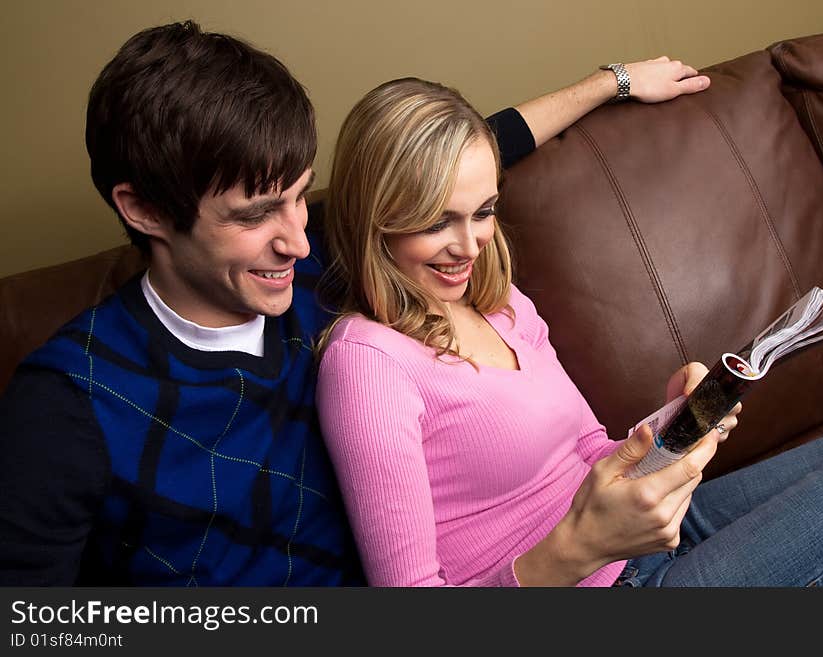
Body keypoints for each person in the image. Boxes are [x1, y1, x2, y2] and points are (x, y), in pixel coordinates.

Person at [0, 19, 710, 586]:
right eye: (254, 215)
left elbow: (442, 164)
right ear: (146, 210)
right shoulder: (64, 406)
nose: (299, 242)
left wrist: (613, 82)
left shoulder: (310, 276)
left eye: (299, 197)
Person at [315, 77, 823, 587]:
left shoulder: (499, 303)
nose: (469, 246)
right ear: (376, 217)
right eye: (437, 221)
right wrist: (583, 547)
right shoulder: (367, 363)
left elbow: (590, 451)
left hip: (649, 545)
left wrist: (677, 419)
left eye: (483, 211)